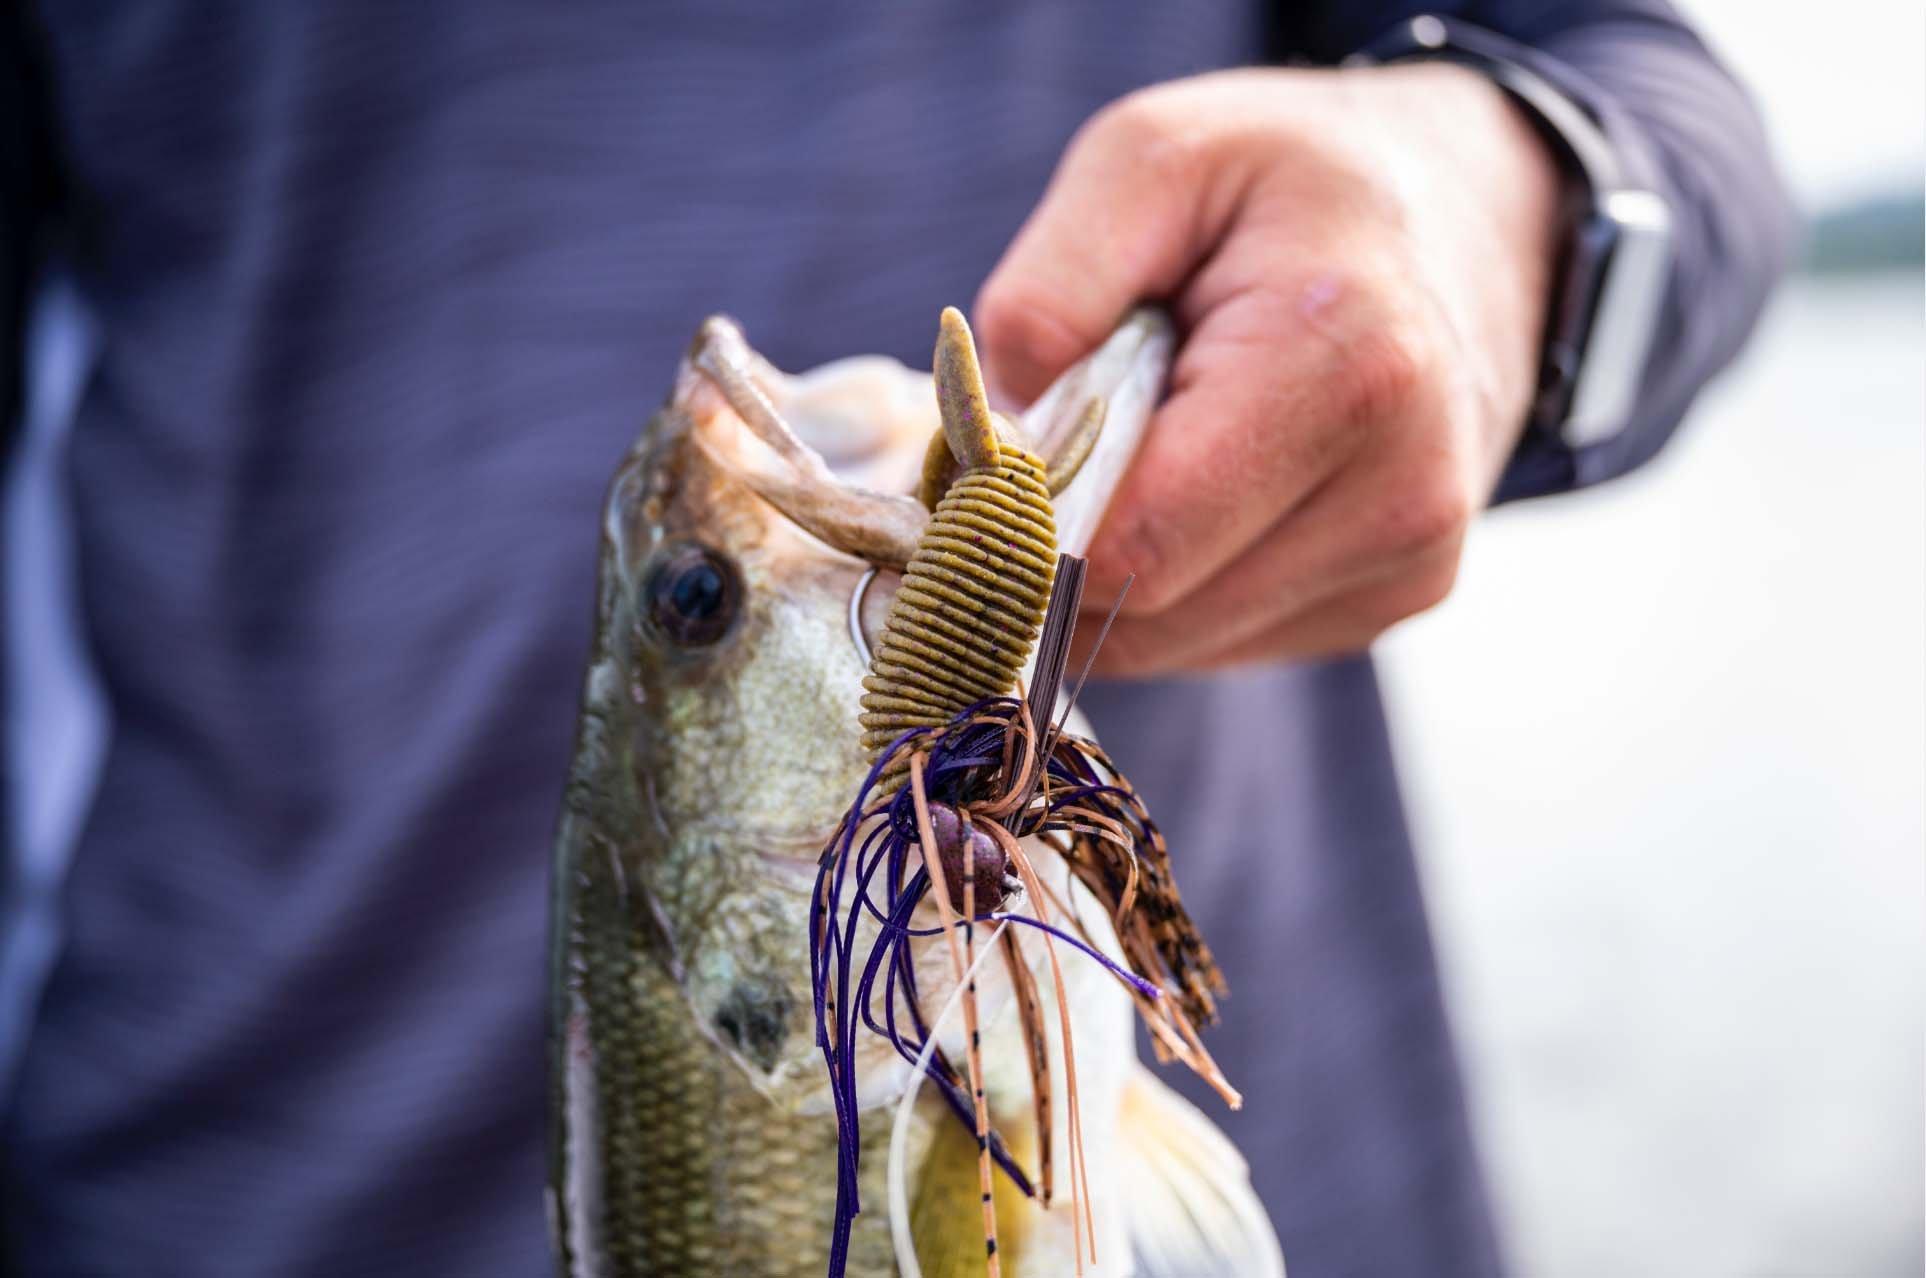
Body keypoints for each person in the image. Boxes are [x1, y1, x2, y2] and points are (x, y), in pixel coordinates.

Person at [0, 3, 1788, 1275]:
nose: (712, 388)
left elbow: (1662, 110)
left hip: (1312, 1154)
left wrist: (1497, 209)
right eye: (695, 603)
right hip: (227, 1186)